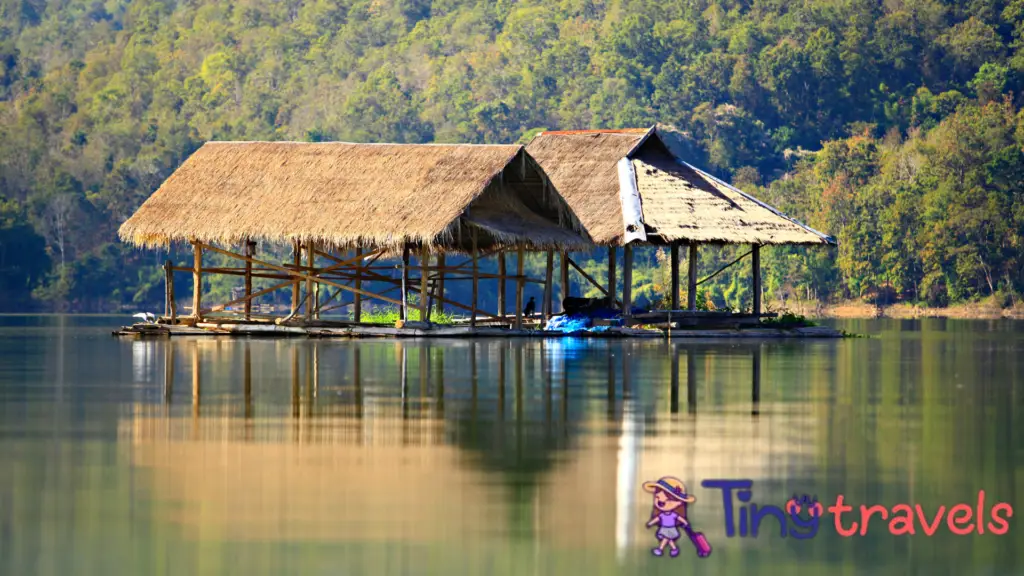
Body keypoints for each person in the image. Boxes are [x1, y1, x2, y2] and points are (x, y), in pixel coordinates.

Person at [642, 476, 695, 557]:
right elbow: (656, 519)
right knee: (668, 539)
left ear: (679, 503)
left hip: (670, 529)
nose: (661, 503)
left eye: (667, 501)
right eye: (657, 498)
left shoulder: (674, 515)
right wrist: (650, 523)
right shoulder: (661, 515)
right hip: (664, 529)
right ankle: (674, 549)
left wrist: (685, 523)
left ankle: (660, 549)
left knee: (666, 538)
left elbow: (681, 519)